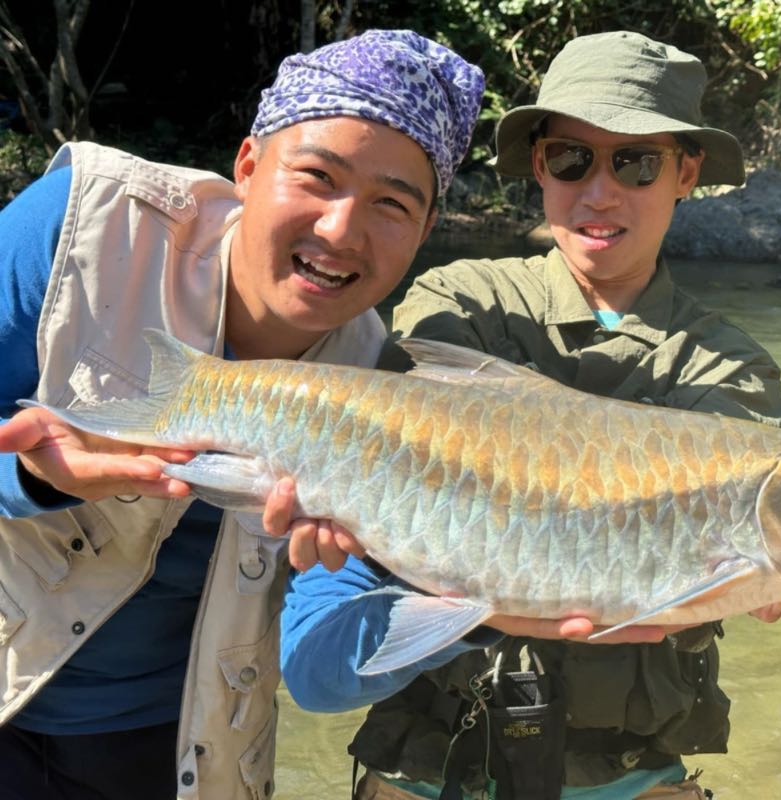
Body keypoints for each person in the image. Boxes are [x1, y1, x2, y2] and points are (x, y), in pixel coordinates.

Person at [278, 31, 781, 800]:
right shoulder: (458, 305)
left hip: (631, 777)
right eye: (574, 158)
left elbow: (714, 551)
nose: (600, 192)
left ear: (687, 172)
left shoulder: (728, 368)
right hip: (431, 766)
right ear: (539, 164)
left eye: (636, 162)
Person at [0, 29, 485, 800]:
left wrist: (483, 599)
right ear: (249, 165)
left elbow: (317, 674)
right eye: (318, 176)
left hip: (169, 748)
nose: (339, 229)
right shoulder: (79, 226)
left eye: (392, 204)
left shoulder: (386, 389)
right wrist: (29, 478)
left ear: (425, 233)